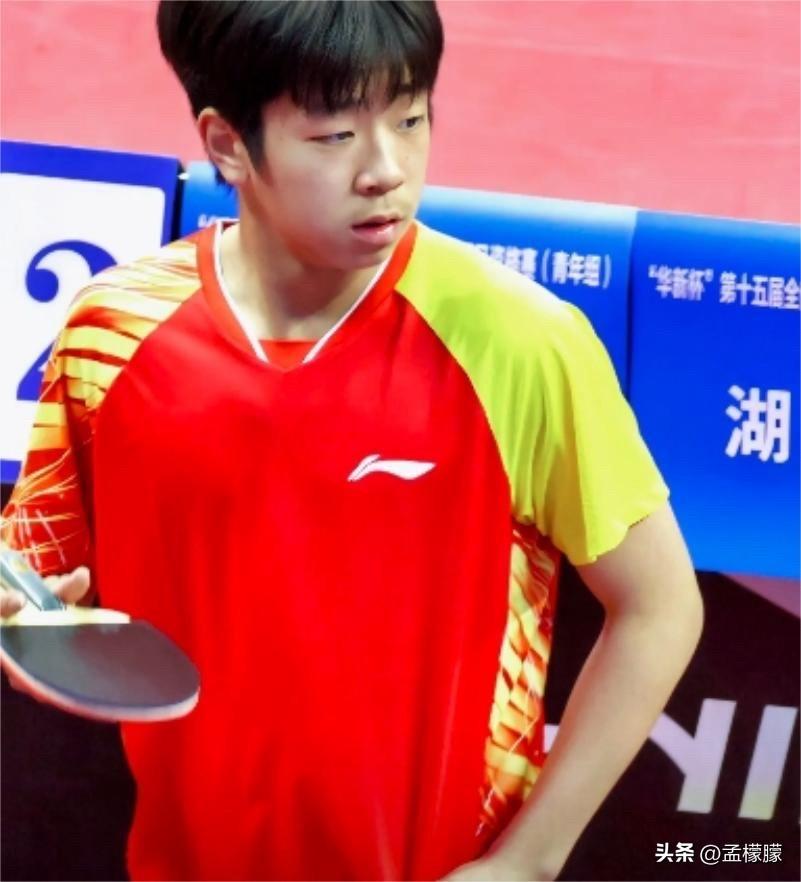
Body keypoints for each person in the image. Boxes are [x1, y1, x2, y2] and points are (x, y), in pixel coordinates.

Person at [0, 2, 703, 880]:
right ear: (227, 146)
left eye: (409, 119)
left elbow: (658, 606)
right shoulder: (114, 332)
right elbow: (39, 587)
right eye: (334, 136)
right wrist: (28, 627)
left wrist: (528, 860)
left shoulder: (520, 342)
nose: (386, 171)